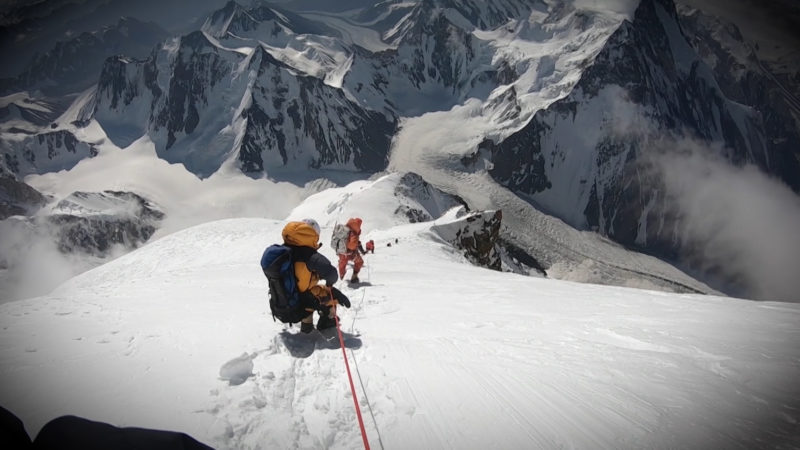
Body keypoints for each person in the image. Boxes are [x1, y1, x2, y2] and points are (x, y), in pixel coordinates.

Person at [283, 218, 350, 333]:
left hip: (284, 300)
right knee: (330, 294)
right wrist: (330, 285)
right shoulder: (308, 254)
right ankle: (327, 322)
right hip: (300, 301)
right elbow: (332, 274)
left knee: (310, 292)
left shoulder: (284, 250)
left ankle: (307, 326)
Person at [337, 217, 366, 283]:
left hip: (341, 252)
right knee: (359, 262)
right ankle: (354, 277)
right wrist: (356, 244)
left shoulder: (345, 230)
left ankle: (341, 276)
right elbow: (352, 246)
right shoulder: (354, 233)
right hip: (350, 253)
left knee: (342, 264)